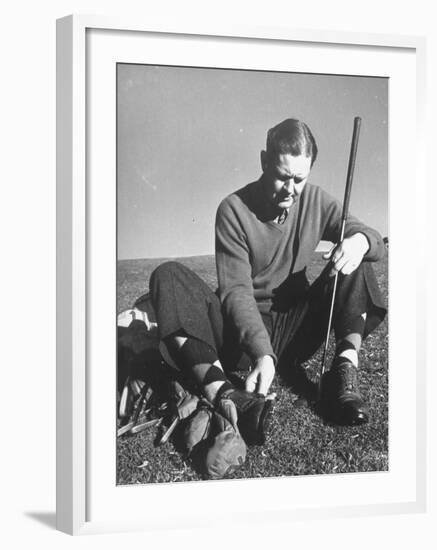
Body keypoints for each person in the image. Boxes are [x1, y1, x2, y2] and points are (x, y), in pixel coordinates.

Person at [148, 118, 386, 447]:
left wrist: (359, 242)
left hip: (296, 329)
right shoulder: (233, 210)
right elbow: (236, 292)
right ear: (264, 161)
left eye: (299, 179)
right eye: (282, 176)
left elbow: (373, 239)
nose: (290, 189)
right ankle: (228, 396)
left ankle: (343, 372)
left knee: (356, 258)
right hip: (240, 341)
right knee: (168, 276)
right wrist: (261, 353)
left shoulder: (317, 201)